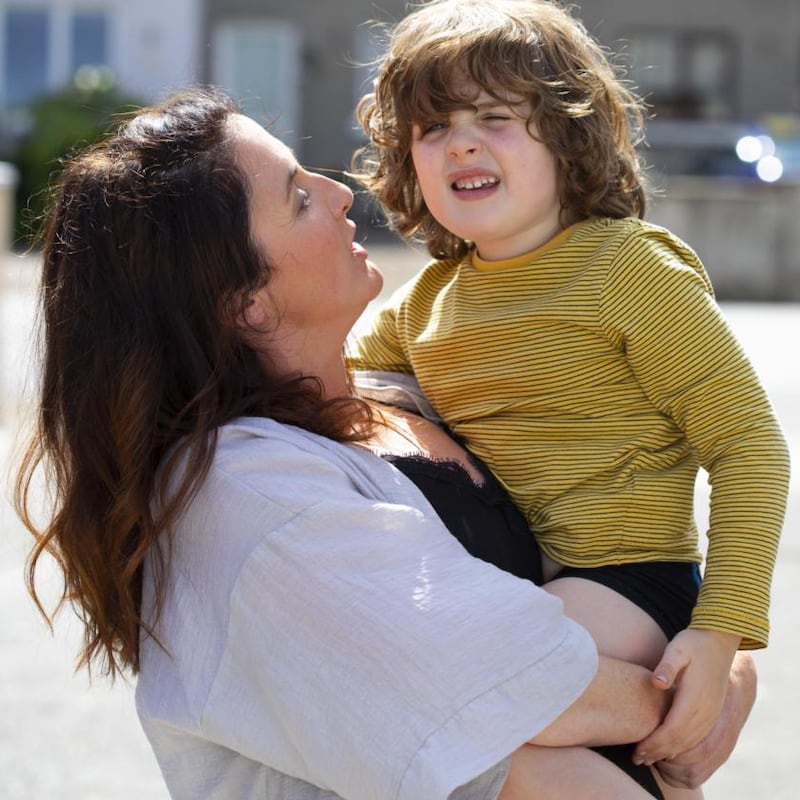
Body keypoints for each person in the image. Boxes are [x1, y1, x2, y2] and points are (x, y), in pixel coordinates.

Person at [12, 87, 755, 800]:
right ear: (246, 302)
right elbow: (497, 689)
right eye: (299, 198)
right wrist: (692, 698)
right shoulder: (244, 494)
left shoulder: (410, 387)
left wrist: (714, 646)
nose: (339, 193)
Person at [350, 0, 789, 790]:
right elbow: (321, 390)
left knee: (463, 704)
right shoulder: (424, 305)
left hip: (632, 580)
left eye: (494, 115)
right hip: (525, 594)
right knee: (486, 756)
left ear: (568, 133)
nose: (464, 141)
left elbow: (749, 448)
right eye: (433, 127)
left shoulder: (628, 269)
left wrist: (723, 635)